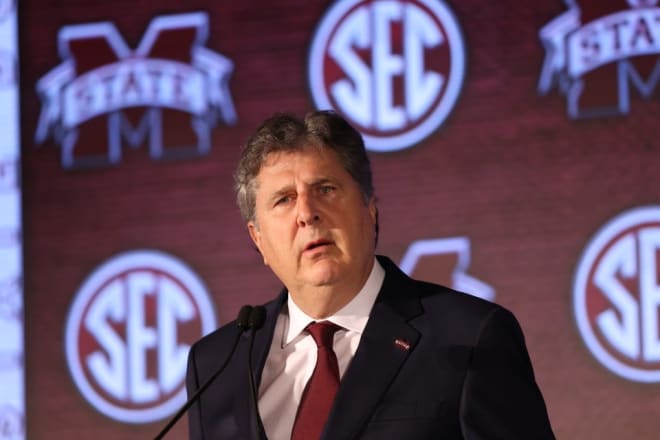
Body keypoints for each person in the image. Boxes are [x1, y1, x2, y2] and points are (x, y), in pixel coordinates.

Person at [186, 110, 555, 439]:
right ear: (258, 238)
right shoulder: (217, 365)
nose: (307, 213)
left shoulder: (471, 336)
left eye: (325, 189)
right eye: (284, 199)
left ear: (370, 209)